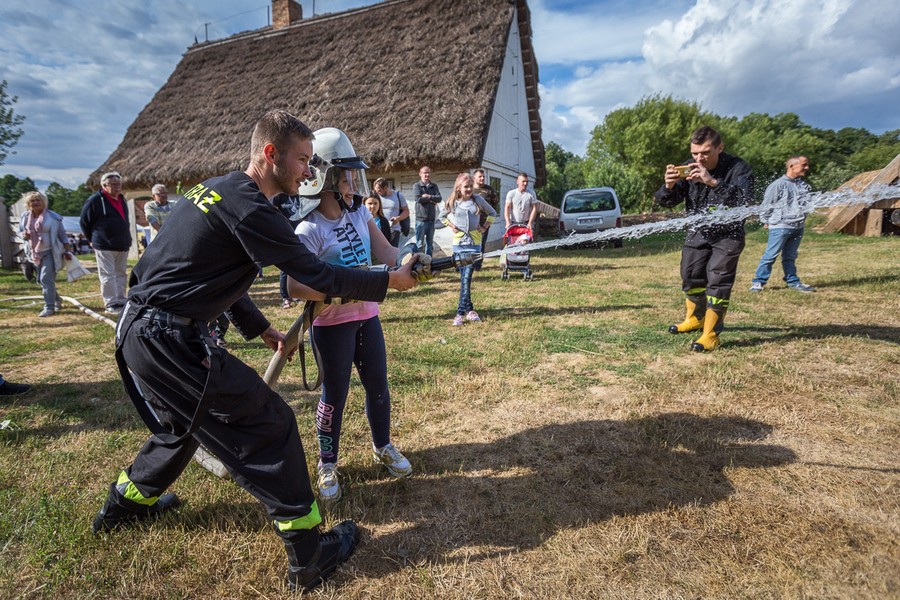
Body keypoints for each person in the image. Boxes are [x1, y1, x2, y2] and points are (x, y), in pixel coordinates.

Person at [90, 110, 422, 593]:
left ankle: (122, 509)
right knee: (272, 425)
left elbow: (208, 271)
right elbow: (316, 277)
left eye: (312, 162)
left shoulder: (217, 189)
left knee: (180, 429)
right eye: (302, 160)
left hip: (143, 333)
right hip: (169, 340)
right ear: (270, 154)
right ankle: (309, 554)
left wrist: (258, 326)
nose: (309, 172)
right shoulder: (254, 209)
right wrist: (387, 281)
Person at [289, 127, 418, 504]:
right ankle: (327, 462)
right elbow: (295, 287)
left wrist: (411, 259)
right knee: (335, 395)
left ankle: (383, 445)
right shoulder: (308, 229)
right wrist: (351, 287)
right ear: (326, 181)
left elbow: (388, 254)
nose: (353, 186)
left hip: (367, 317)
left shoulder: (361, 213)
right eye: (346, 178)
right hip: (331, 326)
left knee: (378, 385)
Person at [654, 126, 755, 352]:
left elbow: (745, 199)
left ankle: (710, 334)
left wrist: (712, 182)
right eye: (695, 153)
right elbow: (667, 201)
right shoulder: (689, 167)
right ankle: (695, 319)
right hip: (698, 231)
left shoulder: (738, 168)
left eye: (705, 153)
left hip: (728, 235)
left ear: (720, 148)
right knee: (690, 275)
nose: (699, 158)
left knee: (718, 281)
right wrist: (668, 186)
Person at [750, 156, 815, 293]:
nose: (807, 168)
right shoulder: (777, 185)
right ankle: (758, 282)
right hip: (781, 226)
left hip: (798, 227)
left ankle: (792, 281)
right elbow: (767, 204)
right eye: (804, 165)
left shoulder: (801, 184)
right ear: (792, 166)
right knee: (771, 255)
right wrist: (765, 220)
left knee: (790, 256)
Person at [440, 172, 496, 326]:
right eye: (466, 187)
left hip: (474, 245)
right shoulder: (453, 202)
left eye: (471, 186)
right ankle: (470, 310)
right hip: (459, 246)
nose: (469, 189)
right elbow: (441, 217)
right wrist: (452, 226)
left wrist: (484, 226)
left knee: (467, 278)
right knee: (464, 278)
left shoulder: (478, 200)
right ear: (459, 188)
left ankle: (459, 313)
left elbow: (492, 213)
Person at [80, 171, 132, 314]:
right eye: (113, 184)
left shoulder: (122, 200)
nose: (117, 187)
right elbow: (85, 222)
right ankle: (111, 302)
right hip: (104, 244)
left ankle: (121, 300)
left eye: (118, 184)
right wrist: (93, 238)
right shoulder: (95, 200)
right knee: (108, 275)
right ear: (104, 185)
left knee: (121, 273)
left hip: (122, 243)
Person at [18, 191, 73, 317]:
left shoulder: (53, 217)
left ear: (44, 202)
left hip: (51, 253)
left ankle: (49, 307)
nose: (36, 203)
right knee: (42, 280)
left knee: (45, 279)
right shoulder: (25, 217)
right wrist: (24, 236)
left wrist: (68, 249)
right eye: (32, 201)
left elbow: (62, 235)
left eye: (38, 200)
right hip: (34, 253)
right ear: (28, 204)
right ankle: (57, 300)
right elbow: (20, 232)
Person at [273, 193, 303, 308]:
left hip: (300, 233)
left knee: (299, 265)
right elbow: (273, 212)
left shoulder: (301, 192)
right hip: (285, 234)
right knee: (286, 267)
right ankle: (286, 297)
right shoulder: (279, 195)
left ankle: (296, 294)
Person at [412, 166, 441, 256]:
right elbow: (418, 199)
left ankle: (429, 264)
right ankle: (419, 265)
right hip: (421, 220)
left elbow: (439, 198)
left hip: (431, 219)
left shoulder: (434, 186)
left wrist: (428, 196)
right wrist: (432, 200)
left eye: (428, 172)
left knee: (429, 244)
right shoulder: (417, 185)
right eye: (425, 173)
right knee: (419, 244)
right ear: (420, 174)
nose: (427, 175)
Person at [472, 168, 497, 270]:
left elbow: (494, 206)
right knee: (469, 245)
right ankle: (467, 264)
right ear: (474, 178)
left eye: (483, 177)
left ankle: (477, 266)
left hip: (483, 223)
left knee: (481, 245)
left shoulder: (489, 190)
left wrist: (488, 221)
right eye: (480, 176)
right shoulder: (469, 189)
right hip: (471, 223)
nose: (482, 178)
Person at [373, 178, 409, 247]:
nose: (377, 192)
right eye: (376, 190)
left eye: (379, 190)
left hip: (394, 230)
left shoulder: (398, 195)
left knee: (393, 253)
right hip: (380, 230)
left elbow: (406, 211)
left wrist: (398, 218)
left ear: (385, 188)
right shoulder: (376, 197)